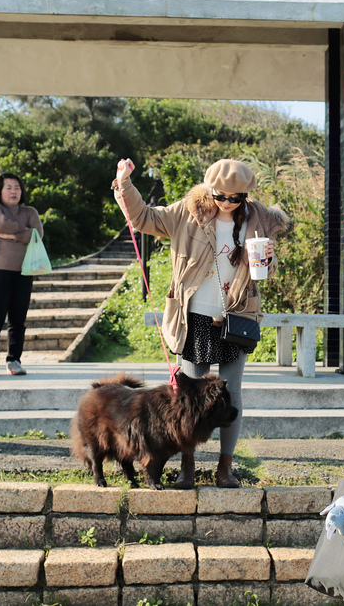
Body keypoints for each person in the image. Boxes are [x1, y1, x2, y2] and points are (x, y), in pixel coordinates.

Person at [113, 158, 290, 488]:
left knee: (231, 394)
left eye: (235, 198)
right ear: (210, 191)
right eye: (220, 196)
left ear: (245, 196)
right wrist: (125, 183)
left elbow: (269, 269)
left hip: (236, 316)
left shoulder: (257, 218)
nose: (226, 203)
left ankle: (226, 468)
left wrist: (267, 259)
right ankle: (188, 468)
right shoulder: (186, 212)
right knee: (187, 399)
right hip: (191, 316)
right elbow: (142, 218)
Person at [0, 173, 44, 377]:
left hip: (24, 270)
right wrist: (23, 233)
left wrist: (11, 235)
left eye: (17, 187)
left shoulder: (29, 211)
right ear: (0, 190)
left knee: (18, 318)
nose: (14, 191)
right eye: (8, 187)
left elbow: (38, 234)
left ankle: (14, 360)